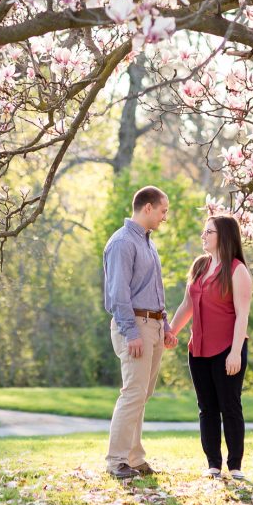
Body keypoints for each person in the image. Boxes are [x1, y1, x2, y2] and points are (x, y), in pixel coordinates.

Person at [167, 214, 253, 480]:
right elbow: (187, 305)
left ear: (223, 236)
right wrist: (171, 332)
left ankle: (235, 466)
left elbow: (242, 315)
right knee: (206, 408)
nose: (203, 236)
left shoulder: (237, 270)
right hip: (198, 350)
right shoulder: (199, 265)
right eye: (204, 231)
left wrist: (236, 352)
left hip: (228, 349)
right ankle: (213, 464)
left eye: (209, 232)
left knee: (230, 406)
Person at [102, 186, 178, 480]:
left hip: (153, 325)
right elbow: (118, 294)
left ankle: (134, 458)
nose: (164, 217)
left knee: (142, 395)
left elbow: (153, 290)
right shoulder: (122, 243)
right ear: (148, 207)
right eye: (163, 211)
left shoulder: (148, 243)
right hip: (134, 326)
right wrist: (131, 331)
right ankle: (116, 460)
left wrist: (165, 325)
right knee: (133, 393)